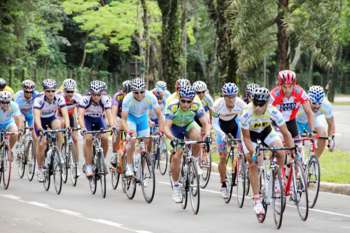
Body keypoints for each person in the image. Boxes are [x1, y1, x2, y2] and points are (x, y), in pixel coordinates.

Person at [240, 87, 295, 219]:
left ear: (267, 103)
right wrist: (254, 153)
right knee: (253, 162)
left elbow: (286, 133)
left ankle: (276, 180)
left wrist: (292, 150)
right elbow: (246, 138)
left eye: (261, 104)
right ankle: (257, 199)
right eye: (255, 103)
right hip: (251, 137)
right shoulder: (246, 113)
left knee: (281, 152)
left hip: (266, 132)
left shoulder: (273, 111)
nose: (258, 107)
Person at [163, 85, 210, 203]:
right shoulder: (172, 107)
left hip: (188, 125)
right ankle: (176, 186)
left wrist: (207, 135)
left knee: (198, 136)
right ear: (179, 98)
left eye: (188, 101)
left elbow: (205, 123)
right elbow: (166, 127)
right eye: (183, 101)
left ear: (192, 100)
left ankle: (194, 160)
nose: (185, 104)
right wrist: (172, 138)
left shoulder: (196, 106)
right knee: (177, 155)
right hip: (174, 129)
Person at [120, 77, 164, 177]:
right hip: (131, 118)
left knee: (146, 142)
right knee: (132, 141)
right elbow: (123, 119)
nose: (139, 95)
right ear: (132, 92)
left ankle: (142, 172)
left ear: (145, 90)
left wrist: (161, 130)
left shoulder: (150, 97)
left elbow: (160, 115)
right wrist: (128, 131)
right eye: (136, 92)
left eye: (141, 92)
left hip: (143, 118)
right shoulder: (127, 99)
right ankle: (129, 166)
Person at [212, 82, 247, 198]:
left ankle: (239, 165)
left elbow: (247, 118)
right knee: (222, 157)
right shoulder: (217, 105)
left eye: (233, 96)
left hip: (234, 124)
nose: (231, 100)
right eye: (228, 97)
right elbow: (215, 124)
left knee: (243, 146)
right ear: (224, 96)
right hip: (221, 127)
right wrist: (222, 135)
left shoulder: (240, 103)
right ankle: (223, 184)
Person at [33, 79, 70, 182]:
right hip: (40, 120)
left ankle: (57, 153)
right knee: (42, 143)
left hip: (51, 118)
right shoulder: (38, 100)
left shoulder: (59, 98)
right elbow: (36, 116)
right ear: (44, 91)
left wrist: (67, 126)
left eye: (53, 91)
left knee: (59, 127)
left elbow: (65, 114)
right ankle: (39, 169)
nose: (51, 93)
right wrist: (40, 129)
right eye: (48, 91)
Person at [78, 80, 115, 177]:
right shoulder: (85, 99)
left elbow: (109, 114)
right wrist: (83, 128)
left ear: (102, 94)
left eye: (98, 95)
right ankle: (89, 165)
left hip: (99, 119)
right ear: (90, 93)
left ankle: (101, 161)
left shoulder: (105, 99)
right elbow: (80, 116)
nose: (96, 97)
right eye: (94, 94)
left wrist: (112, 126)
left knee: (105, 138)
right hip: (87, 119)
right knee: (89, 139)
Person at [270, 70, 314, 138]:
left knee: (297, 146)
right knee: (280, 140)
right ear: (280, 85)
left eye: (290, 86)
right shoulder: (274, 95)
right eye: (284, 87)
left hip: (291, 122)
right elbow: (266, 112)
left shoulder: (300, 92)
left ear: (294, 85)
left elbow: (309, 112)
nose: (288, 90)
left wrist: (311, 130)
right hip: (277, 122)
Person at [297, 85, 336, 156]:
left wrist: (331, 138)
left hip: (314, 120)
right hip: (298, 122)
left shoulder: (326, 105)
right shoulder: (300, 105)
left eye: (319, 103)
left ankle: (315, 161)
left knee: (323, 134)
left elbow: (331, 123)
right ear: (308, 100)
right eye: (314, 103)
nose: (317, 106)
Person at [110, 80, 131, 169]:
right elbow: (114, 113)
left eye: (130, 93)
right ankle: (114, 153)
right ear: (122, 91)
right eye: (126, 92)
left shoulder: (135, 97)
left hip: (130, 117)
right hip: (119, 116)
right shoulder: (118, 97)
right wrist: (113, 125)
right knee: (117, 131)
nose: (128, 95)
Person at [0, 91, 22, 162]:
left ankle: (9, 149)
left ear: (10, 101)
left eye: (7, 102)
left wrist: (20, 129)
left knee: (15, 133)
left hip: (8, 123)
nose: (5, 104)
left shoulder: (14, 105)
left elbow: (18, 118)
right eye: (3, 102)